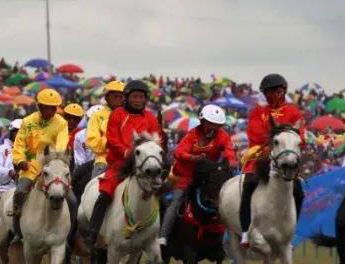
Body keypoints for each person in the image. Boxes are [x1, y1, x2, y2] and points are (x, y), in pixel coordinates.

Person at [82, 79, 163, 247]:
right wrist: (127, 152)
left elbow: (157, 139)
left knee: (164, 194)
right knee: (104, 194)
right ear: (127, 97)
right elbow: (112, 139)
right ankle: (93, 233)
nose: (137, 100)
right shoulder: (117, 114)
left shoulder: (150, 117)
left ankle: (160, 235)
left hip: (144, 167)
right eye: (134, 97)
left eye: (141, 97)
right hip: (120, 165)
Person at [238, 74, 306, 248]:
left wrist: (284, 144)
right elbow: (255, 135)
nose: (274, 94)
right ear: (265, 94)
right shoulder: (258, 112)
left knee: (298, 191)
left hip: (285, 159)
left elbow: (300, 137)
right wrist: (274, 143)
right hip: (261, 156)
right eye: (269, 92)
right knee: (248, 184)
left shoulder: (293, 112)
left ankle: (292, 231)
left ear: (284, 90)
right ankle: (245, 231)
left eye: (278, 90)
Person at [158, 104, 235, 247]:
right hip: (185, 175)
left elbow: (229, 150)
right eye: (210, 124)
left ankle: (236, 238)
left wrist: (231, 161)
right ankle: (163, 237)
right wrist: (193, 158)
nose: (213, 128)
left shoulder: (223, 135)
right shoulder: (192, 134)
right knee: (176, 201)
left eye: (217, 125)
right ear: (202, 122)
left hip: (206, 174)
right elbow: (178, 152)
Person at [9, 89, 70, 243]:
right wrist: (20, 161)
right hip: (30, 167)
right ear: (39, 106)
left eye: (53, 108)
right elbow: (19, 144)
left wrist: (55, 158)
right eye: (46, 107)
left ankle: (69, 235)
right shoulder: (28, 121)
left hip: (52, 167)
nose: (50, 111)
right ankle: (17, 232)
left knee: (74, 201)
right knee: (19, 192)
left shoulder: (61, 123)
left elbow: (61, 145)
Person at [85, 81, 125, 178]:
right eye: (115, 96)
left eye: (121, 96)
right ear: (106, 97)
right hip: (103, 160)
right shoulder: (97, 116)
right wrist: (109, 142)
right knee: (96, 186)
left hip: (127, 159)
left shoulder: (129, 114)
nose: (118, 99)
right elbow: (92, 141)